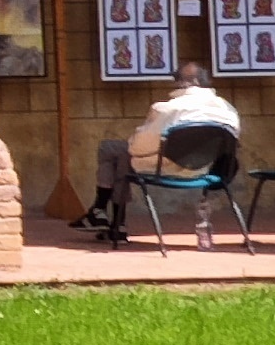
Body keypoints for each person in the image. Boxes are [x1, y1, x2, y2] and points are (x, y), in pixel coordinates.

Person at [78, 58, 239, 242]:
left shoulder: (167, 109)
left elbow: (138, 147)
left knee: (117, 152)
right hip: (204, 171)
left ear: (183, 83)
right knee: (121, 154)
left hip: (164, 169)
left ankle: (103, 213)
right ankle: (111, 222)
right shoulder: (228, 110)